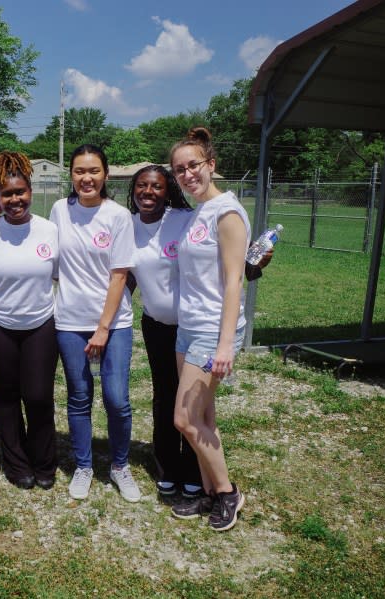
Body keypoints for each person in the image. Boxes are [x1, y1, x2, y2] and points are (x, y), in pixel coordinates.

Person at [168, 127, 250, 532]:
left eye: (193, 165)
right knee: (204, 415)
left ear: (211, 165)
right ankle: (209, 491)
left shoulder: (227, 212)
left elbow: (235, 282)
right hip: (189, 327)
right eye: (179, 169)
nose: (187, 174)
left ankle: (228, 492)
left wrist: (224, 344)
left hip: (211, 331)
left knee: (184, 419)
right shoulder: (198, 211)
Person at [49, 145, 140, 503]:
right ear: (71, 175)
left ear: (105, 175)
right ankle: (84, 467)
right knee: (79, 396)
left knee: (116, 399)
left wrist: (103, 328)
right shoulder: (59, 210)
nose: (87, 178)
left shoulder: (118, 216)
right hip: (69, 321)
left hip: (113, 324)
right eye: (79, 171)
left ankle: (120, 466)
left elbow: (120, 275)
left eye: (94, 171)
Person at [0, 151, 59, 490]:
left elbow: (56, 275)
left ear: (31, 191)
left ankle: (44, 462)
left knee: (38, 396)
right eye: (7, 194)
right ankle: (17, 463)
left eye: (20, 192)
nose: (15, 200)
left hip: (40, 323)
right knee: (6, 396)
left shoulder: (49, 230)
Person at [126, 165, 202, 500]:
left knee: (194, 399)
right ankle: (168, 464)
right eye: (141, 186)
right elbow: (126, 275)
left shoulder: (183, 219)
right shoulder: (127, 226)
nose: (148, 192)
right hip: (155, 326)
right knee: (165, 395)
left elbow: (214, 254)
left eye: (156, 187)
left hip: (191, 327)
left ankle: (195, 467)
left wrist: (253, 265)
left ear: (167, 189)